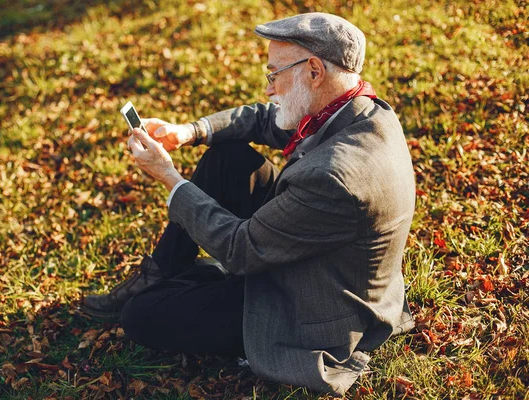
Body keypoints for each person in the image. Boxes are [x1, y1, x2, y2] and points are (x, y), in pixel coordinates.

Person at [82, 13, 416, 395]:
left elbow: (241, 250)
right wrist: (188, 132)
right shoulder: (357, 108)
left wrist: (170, 178)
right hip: (325, 255)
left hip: (314, 308)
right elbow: (265, 119)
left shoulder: (334, 178)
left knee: (141, 316)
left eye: (274, 74)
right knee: (226, 158)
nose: (270, 88)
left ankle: (179, 283)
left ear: (314, 70)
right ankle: (160, 273)